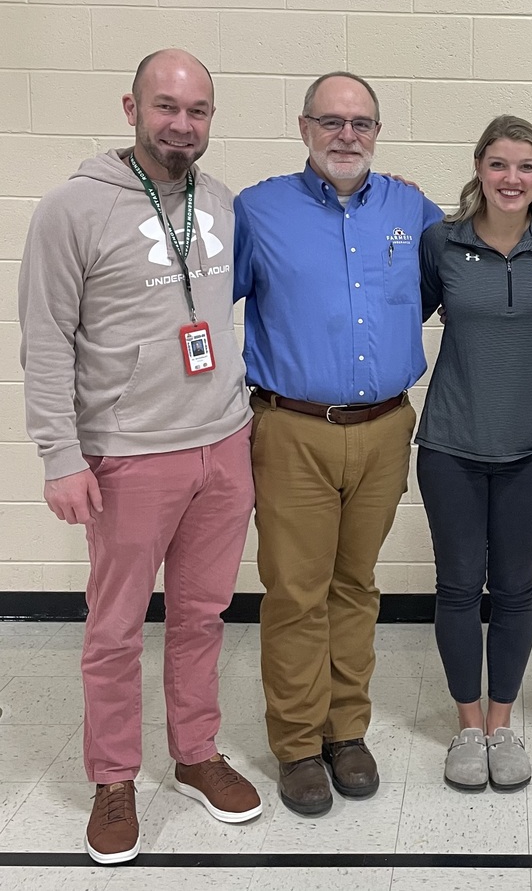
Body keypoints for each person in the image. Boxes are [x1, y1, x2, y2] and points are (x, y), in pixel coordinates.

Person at [18, 49, 262, 865]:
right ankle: (114, 776)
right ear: (131, 107)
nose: (181, 125)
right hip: (128, 457)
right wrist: (61, 454)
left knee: (201, 616)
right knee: (116, 627)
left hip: (223, 448)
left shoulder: (220, 202)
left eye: (197, 112)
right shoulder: (72, 209)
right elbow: (46, 341)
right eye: (166, 107)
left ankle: (194, 752)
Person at [234, 71, 444, 817]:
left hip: (386, 429)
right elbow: (197, 297)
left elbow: (448, 288)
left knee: (355, 586)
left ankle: (344, 729)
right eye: (331, 121)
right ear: (304, 128)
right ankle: (296, 742)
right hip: (293, 430)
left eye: (361, 123)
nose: (346, 135)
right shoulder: (257, 211)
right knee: (296, 592)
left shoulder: (412, 209)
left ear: (378, 132)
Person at [417, 115, 532, 793]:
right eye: (499, 164)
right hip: (450, 442)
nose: (512, 179)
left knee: (515, 589)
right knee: (458, 585)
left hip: (531, 445)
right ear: (478, 167)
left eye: (526, 166)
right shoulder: (440, 242)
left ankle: (503, 723)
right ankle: (466, 725)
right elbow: (405, 315)